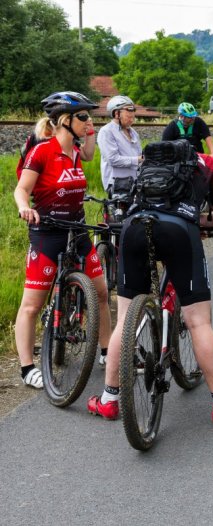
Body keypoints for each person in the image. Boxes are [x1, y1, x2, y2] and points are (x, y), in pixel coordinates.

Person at [87, 140, 213, 425]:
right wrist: (199, 220)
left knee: (125, 319)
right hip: (179, 230)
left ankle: (109, 401)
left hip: (134, 227)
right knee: (199, 322)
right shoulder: (207, 164)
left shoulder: (149, 161)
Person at [14, 91, 111, 389]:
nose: (88, 121)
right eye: (83, 117)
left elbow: (92, 153)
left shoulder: (76, 151)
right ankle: (27, 367)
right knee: (31, 305)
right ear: (64, 121)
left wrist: (90, 130)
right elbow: (21, 190)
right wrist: (24, 208)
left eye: (90, 117)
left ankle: (108, 352)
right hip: (48, 233)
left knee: (102, 293)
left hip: (77, 230)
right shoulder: (42, 151)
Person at [97, 95, 142, 196]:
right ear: (116, 114)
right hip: (117, 185)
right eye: (128, 117)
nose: (131, 120)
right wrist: (137, 160)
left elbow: (140, 155)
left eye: (133, 117)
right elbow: (112, 159)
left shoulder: (133, 132)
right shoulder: (106, 131)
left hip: (134, 183)